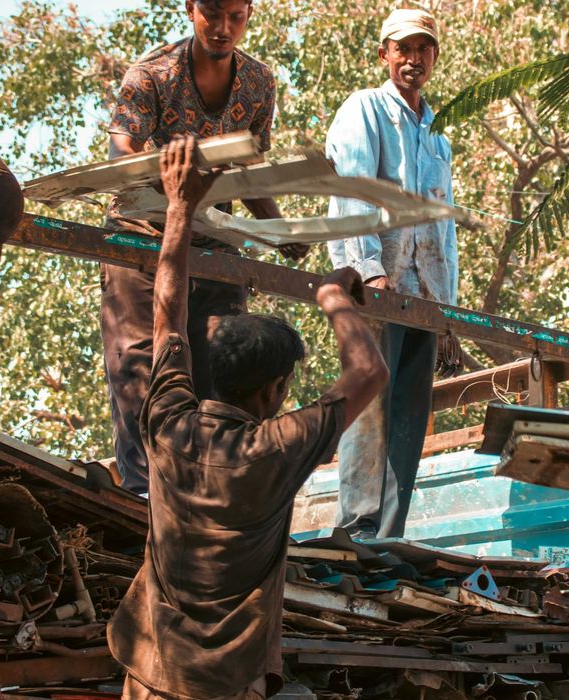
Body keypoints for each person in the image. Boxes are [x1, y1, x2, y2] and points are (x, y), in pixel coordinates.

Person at [107, 134, 389, 700]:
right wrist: (334, 297)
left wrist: (180, 206)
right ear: (276, 389)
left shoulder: (169, 423)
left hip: (150, 674)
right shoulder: (276, 448)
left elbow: (167, 311)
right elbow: (370, 372)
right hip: (228, 685)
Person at [102, 0, 306, 493]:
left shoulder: (258, 83)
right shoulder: (151, 75)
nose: (222, 27)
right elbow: (120, 152)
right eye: (211, 13)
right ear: (190, 9)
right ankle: (142, 494)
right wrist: (168, 175)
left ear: (250, 13)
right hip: (143, 239)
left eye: (235, 15)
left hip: (215, 244)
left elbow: (246, 170)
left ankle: (211, 490)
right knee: (142, 369)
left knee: (222, 364)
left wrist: (278, 230)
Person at [325, 7, 457, 539]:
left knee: (408, 420)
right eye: (402, 48)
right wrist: (368, 272)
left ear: (434, 57)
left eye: (423, 49)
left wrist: (446, 312)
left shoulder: (437, 137)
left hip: (423, 300)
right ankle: (356, 527)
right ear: (384, 54)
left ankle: (389, 536)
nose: (413, 59)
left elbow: (442, 232)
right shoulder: (365, 109)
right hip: (376, 288)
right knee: (370, 407)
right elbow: (352, 192)